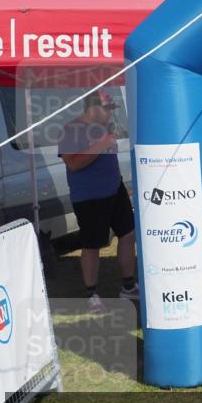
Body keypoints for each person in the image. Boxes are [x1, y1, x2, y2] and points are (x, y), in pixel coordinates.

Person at [56, 91, 139, 314]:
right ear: (92, 108)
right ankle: (92, 295)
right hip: (89, 197)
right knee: (92, 246)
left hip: (115, 189)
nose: (110, 113)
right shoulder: (71, 130)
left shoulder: (103, 129)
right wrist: (100, 144)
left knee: (129, 234)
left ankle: (128, 286)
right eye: (108, 109)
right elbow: (72, 163)